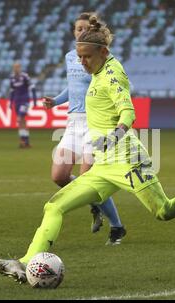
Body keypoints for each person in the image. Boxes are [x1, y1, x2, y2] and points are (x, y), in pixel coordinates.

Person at [0, 16, 175, 283]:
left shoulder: (113, 74)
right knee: (54, 206)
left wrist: (114, 136)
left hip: (127, 158)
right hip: (104, 164)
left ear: (103, 52)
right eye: (79, 56)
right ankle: (24, 263)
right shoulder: (95, 68)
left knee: (164, 210)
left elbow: (128, 111)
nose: (82, 62)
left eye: (86, 57)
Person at [42, 12, 126, 245]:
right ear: (73, 32)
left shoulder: (103, 58)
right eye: (78, 29)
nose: (81, 32)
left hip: (95, 122)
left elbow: (111, 87)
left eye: (85, 29)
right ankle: (93, 203)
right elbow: (73, 88)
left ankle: (117, 227)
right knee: (58, 176)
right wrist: (56, 101)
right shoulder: (72, 57)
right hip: (73, 123)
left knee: (88, 177)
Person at [8, 62, 36, 148]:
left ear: (20, 68)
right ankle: (26, 141)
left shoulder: (25, 76)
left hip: (24, 100)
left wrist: (34, 100)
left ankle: (22, 141)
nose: (16, 69)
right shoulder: (12, 78)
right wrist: (10, 102)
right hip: (17, 101)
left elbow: (32, 88)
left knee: (19, 119)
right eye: (14, 67)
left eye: (17, 67)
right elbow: (12, 91)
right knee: (22, 121)